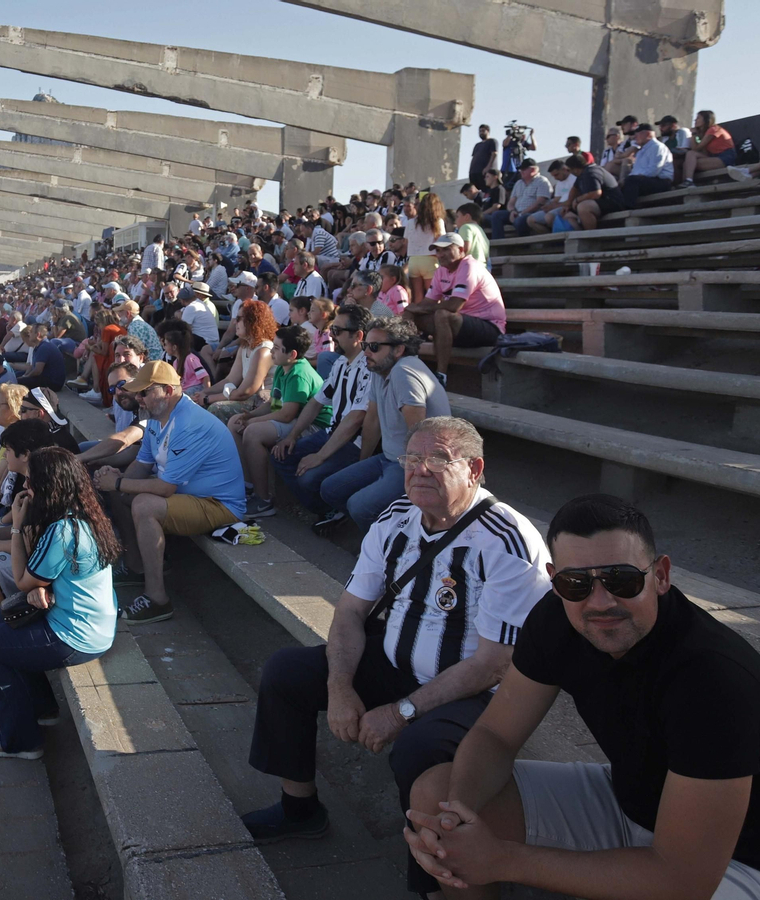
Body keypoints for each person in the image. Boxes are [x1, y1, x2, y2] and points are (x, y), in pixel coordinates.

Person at [405, 494, 760, 900]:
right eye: (577, 583)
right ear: (555, 582)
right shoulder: (558, 618)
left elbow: (682, 880)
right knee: (436, 791)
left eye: (621, 580)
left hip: (751, 866)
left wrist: (504, 860)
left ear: (662, 575)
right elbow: (497, 735)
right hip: (634, 804)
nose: (600, 601)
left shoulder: (712, 678)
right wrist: (456, 817)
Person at [243, 417, 551, 897]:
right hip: (392, 665)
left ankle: (429, 883)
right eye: (412, 459)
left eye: (438, 460)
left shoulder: (506, 539)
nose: (420, 470)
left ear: (474, 469)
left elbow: (494, 664)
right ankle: (299, 810)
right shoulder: (394, 520)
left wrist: (403, 711)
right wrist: (340, 687)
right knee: (286, 671)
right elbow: (349, 612)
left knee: (418, 749)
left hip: (472, 693)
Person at [0, 448, 119, 759]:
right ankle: (43, 707)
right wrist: (39, 587)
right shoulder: (85, 515)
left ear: (50, 485)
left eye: (31, 482)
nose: (27, 488)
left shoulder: (63, 529)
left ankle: (21, 741)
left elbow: (23, 579)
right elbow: (40, 579)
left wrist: (16, 525)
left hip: (76, 637)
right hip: (94, 626)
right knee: (0, 621)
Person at [93, 360, 245, 625]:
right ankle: (136, 565)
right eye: (137, 392)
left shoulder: (189, 423)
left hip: (219, 504)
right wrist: (115, 480)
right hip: (190, 497)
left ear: (168, 391)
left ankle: (157, 599)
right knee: (125, 492)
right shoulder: (156, 418)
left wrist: (116, 483)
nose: (138, 399)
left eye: (144, 393)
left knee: (143, 504)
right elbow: (142, 465)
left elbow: (164, 488)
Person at [317, 317, 451, 531]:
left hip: (415, 464)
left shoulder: (404, 372)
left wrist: (416, 478)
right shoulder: (380, 369)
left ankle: (398, 546)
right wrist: (363, 465)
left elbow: (421, 433)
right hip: (390, 458)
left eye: (374, 347)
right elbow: (372, 421)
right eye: (365, 346)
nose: (366, 352)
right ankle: (383, 531)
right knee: (330, 488)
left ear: (398, 350)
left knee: (359, 506)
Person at [272, 304, 375, 532]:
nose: (331, 336)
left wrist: (319, 456)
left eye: (337, 331)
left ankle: (337, 512)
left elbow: (355, 420)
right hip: (331, 434)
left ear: (358, 335)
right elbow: (317, 402)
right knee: (281, 455)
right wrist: (294, 435)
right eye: (332, 330)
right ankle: (326, 511)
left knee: (308, 477)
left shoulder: (369, 369)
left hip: (353, 443)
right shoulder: (340, 363)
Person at [231, 325, 334, 519]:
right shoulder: (283, 367)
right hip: (293, 419)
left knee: (253, 432)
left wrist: (254, 422)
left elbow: (287, 414)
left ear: (292, 354)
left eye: (277, 349)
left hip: (313, 427)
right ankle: (249, 486)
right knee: (236, 422)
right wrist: (250, 416)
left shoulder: (299, 373)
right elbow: (274, 403)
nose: (271, 352)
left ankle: (264, 501)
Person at [406, 233, 507, 386]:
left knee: (443, 315)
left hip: (490, 327)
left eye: (446, 249)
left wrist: (424, 309)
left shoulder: (469, 266)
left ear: (461, 250)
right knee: (409, 313)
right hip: (462, 325)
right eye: (438, 251)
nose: (440, 254)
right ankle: (409, 364)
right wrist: (412, 310)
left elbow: (454, 306)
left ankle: (441, 377)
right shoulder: (441, 271)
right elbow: (427, 302)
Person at [562, 153, 623, 231]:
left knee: (583, 207)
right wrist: (568, 204)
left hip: (612, 202)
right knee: (567, 215)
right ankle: (581, 236)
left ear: (575, 169)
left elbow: (595, 193)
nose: (569, 172)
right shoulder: (582, 174)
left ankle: (590, 235)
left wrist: (577, 200)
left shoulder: (591, 172)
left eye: (569, 170)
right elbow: (574, 189)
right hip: (599, 203)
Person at [622, 124, 675, 206]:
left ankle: (628, 209)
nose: (635, 136)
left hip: (661, 181)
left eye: (638, 133)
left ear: (648, 134)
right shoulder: (641, 151)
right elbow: (636, 170)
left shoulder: (658, 147)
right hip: (646, 180)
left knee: (632, 181)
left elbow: (654, 171)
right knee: (622, 184)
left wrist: (635, 177)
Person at [680, 110, 734, 187]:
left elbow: (696, 149)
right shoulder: (703, 134)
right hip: (713, 156)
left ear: (706, 119)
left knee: (690, 162)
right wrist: (694, 135)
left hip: (725, 157)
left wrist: (693, 134)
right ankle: (686, 183)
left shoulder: (714, 129)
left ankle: (689, 181)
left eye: (698, 118)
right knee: (688, 161)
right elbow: (698, 150)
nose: (695, 120)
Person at [469, 125, 498, 191]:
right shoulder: (477, 145)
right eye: (480, 131)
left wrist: (488, 167)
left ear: (488, 131)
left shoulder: (492, 141)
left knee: (486, 191)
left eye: (483, 131)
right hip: (474, 172)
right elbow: (474, 157)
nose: (481, 133)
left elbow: (494, 154)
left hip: (484, 172)